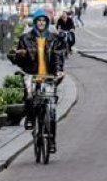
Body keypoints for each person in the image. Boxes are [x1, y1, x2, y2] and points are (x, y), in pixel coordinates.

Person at [8, 9, 65, 150]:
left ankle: (51, 141)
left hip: (48, 76)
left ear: (47, 22)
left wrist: (58, 71)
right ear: (35, 22)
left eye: (44, 21)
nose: (41, 23)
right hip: (31, 75)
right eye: (39, 20)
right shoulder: (25, 38)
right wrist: (19, 55)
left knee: (51, 110)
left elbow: (57, 57)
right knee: (29, 96)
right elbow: (17, 61)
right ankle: (30, 119)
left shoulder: (53, 38)